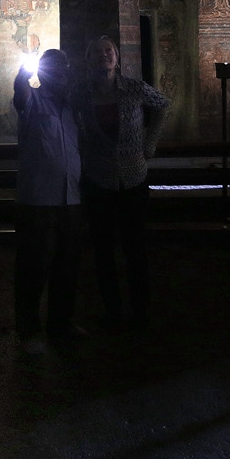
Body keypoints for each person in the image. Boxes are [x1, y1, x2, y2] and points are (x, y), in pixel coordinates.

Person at [75, 36, 170, 331]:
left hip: (133, 178)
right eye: (96, 52)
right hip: (98, 179)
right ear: (88, 59)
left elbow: (163, 105)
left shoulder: (133, 87)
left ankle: (140, 311)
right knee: (103, 250)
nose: (103, 55)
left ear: (117, 58)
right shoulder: (81, 93)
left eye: (109, 51)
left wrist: (149, 143)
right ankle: (112, 312)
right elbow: (70, 120)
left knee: (135, 248)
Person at [12, 48, 85, 355]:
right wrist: (24, 71)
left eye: (64, 67)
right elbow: (20, 91)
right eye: (54, 67)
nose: (61, 72)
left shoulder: (72, 109)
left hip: (70, 199)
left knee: (66, 266)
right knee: (34, 266)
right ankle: (28, 330)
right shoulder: (32, 101)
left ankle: (61, 323)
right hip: (39, 200)